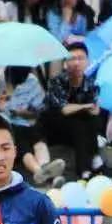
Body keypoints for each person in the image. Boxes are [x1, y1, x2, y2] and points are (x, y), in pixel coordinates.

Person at [41, 41, 105, 180]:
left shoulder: (91, 83)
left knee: (86, 120)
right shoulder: (57, 82)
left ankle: (86, 169)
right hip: (54, 128)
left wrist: (92, 109)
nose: (76, 63)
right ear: (65, 63)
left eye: (80, 58)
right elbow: (64, 109)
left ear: (87, 61)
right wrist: (85, 107)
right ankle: (92, 161)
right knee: (78, 120)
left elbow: (95, 111)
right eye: (72, 59)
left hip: (79, 130)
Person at [1, 66, 66, 187]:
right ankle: (40, 172)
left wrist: (24, 112)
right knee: (22, 143)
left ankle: (46, 169)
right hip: (11, 125)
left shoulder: (32, 81)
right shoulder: (3, 82)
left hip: (30, 122)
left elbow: (39, 109)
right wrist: (5, 102)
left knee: (39, 139)